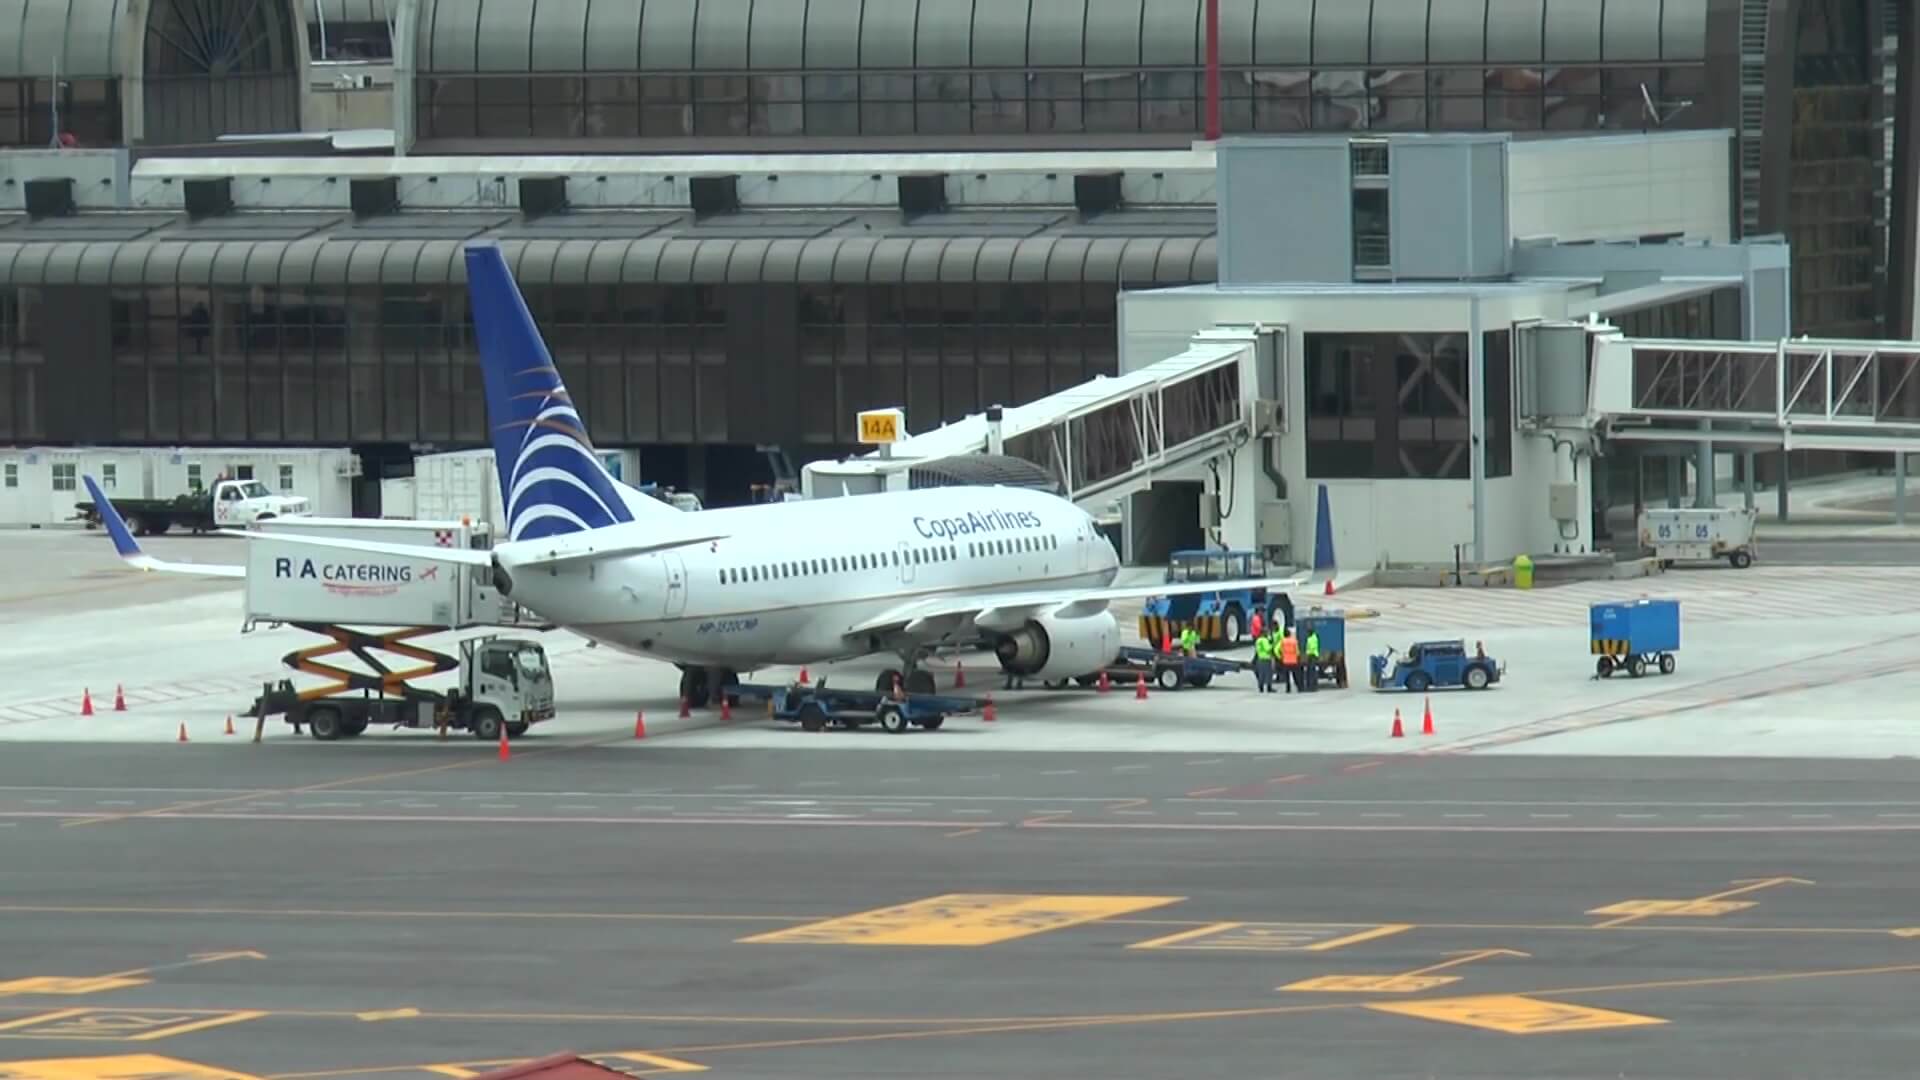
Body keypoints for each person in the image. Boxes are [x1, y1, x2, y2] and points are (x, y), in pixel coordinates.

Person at [1279, 628, 1300, 694]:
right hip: (1293, 660)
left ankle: (1288, 688)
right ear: (1290, 634)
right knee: (1295, 675)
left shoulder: (1282, 641)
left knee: (1287, 676)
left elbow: (1280, 650)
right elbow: (1297, 651)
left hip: (1286, 661)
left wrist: (1281, 657)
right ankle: (1298, 686)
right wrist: (1298, 657)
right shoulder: (1294, 641)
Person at [1303, 626, 1322, 692]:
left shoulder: (1312, 638)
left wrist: (1307, 654)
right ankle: (1311, 685)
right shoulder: (1311, 637)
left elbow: (1311, 648)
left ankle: (1312, 687)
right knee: (1310, 671)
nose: (1307, 633)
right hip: (1311, 656)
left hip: (1312, 656)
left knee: (1312, 672)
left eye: (1308, 632)